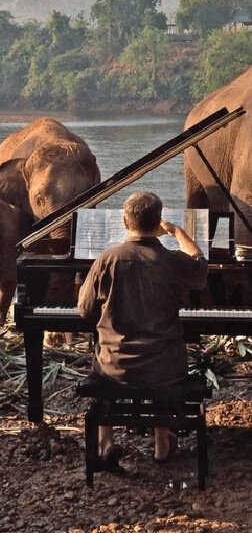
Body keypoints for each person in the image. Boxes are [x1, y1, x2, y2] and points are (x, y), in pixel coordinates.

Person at [77, 191, 207, 467]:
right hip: (166, 369)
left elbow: (85, 311)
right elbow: (200, 265)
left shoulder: (107, 260)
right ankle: (161, 444)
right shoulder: (173, 261)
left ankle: (106, 441)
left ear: (125, 222)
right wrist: (177, 231)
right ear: (159, 222)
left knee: (104, 352)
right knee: (160, 355)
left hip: (117, 369)